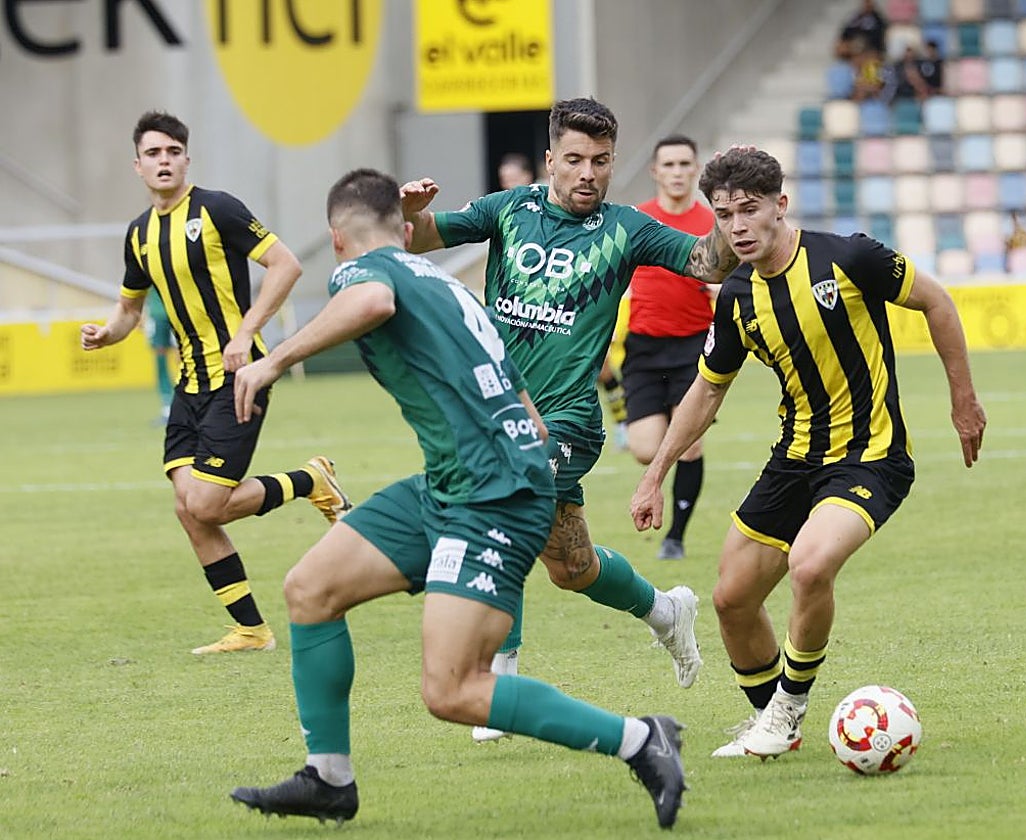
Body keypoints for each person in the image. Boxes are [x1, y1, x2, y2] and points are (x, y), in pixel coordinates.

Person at [228, 168, 686, 829]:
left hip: (492, 494)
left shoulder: (363, 273)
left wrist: (270, 361)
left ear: (339, 237)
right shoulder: (445, 282)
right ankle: (328, 777)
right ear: (401, 225)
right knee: (310, 589)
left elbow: (371, 305)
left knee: (452, 689)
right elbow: (513, 385)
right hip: (456, 481)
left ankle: (642, 739)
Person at [399, 97, 738, 741]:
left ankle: (498, 672)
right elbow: (420, 237)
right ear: (551, 159)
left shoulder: (628, 228)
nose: (588, 173)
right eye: (576, 160)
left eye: (602, 161)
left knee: (502, 497)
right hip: (495, 412)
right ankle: (665, 611)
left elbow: (710, 263)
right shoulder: (508, 210)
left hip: (570, 419)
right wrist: (409, 213)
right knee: (570, 565)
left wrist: (724, 209)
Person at [630, 147, 987, 759]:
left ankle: (787, 712)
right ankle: (775, 722)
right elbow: (707, 389)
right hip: (794, 459)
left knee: (811, 566)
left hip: (872, 456)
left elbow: (938, 301)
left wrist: (963, 401)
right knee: (731, 599)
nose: (737, 226)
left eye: (749, 210)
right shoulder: (737, 295)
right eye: (724, 215)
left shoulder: (847, 257)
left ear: (780, 205)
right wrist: (655, 473)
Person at [80, 111, 352, 655]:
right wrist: (106, 334)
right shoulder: (140, 234)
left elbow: (286, 264)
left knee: (204, 504)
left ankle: (309, 480)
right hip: (188, 384)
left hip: (240, 375)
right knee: (189, 508)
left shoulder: (217, 208)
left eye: (173, 152)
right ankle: (251, 629)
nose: (164, 161)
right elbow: (129, 310)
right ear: (138, 166)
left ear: (186, 159)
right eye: (153, 154)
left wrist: (247, 331)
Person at [623, 134, 718, 561]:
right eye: (670, 165)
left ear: (695, 169)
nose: (678, 172)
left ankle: (675, 537)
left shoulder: (713, 224)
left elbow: (731, 284)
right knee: (646, 449)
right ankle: (654, 474)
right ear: (655, 171)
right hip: (643, 349)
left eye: (685, 164)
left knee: (690, 444)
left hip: (694, 350)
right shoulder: (637, 220)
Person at [145, 286, 176, 423]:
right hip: (157, 314)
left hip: (179, 313)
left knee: (186, 357)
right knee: (160, 359)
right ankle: (167, 405)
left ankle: (188, 401)